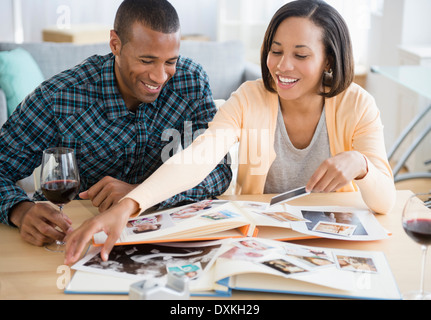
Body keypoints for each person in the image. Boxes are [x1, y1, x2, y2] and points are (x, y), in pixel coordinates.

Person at [64, 0, 396, 265]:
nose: (283, 66)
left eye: (301, 55)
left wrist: (361, 163)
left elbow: (385, 202)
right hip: (264, 243)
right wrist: (128, 207)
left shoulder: (357, 105)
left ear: (328, 60)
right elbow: (197, 157)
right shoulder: (250, 98)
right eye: (276, 51)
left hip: (332, 246)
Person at [0, 0, 232, 247]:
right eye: (146, 60)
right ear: (116, 44)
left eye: (170, 62)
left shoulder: (191, 83)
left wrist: (142, 193)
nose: (160, 76)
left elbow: (219, 170)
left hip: (163, 233)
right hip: (73, 234)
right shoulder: (60, 97)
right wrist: (20, 210)